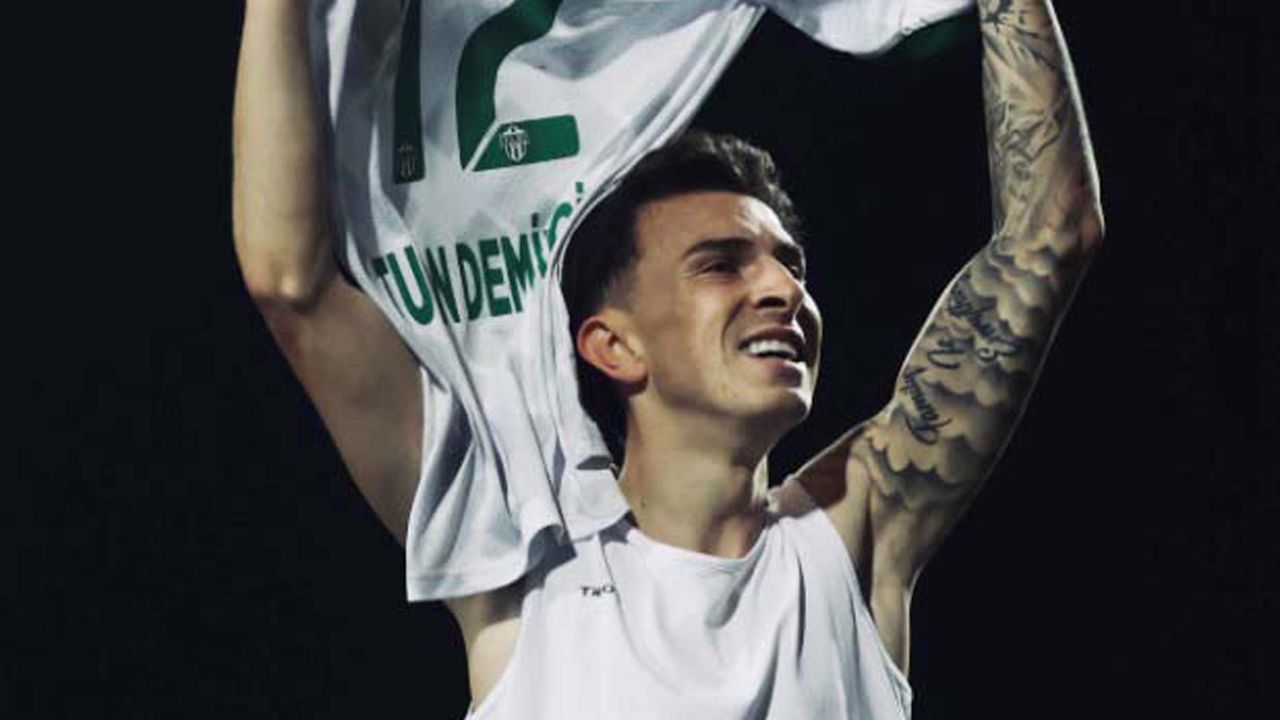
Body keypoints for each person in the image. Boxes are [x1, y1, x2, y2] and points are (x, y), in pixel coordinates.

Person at [233, 0, 1102, 716]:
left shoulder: (855, 538)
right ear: (612, 344)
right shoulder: (515, 560)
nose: (782, 289)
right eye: (722, 264)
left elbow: (1049, 238)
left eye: (792, 265)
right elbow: (290, 283)